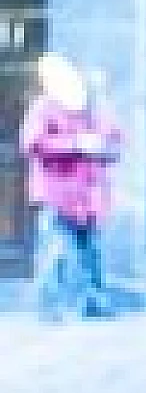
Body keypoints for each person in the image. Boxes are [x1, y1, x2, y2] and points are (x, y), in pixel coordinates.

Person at [19, 51, 122, 320]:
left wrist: (102, 145)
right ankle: (49, 308)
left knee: (91, 253)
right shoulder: (44, 107)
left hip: (88, 194)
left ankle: (93, 303)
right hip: (56, 192)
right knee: (56, 253)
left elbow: (113, 140)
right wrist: (76, 144)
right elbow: (31, 143)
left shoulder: (93, 107)